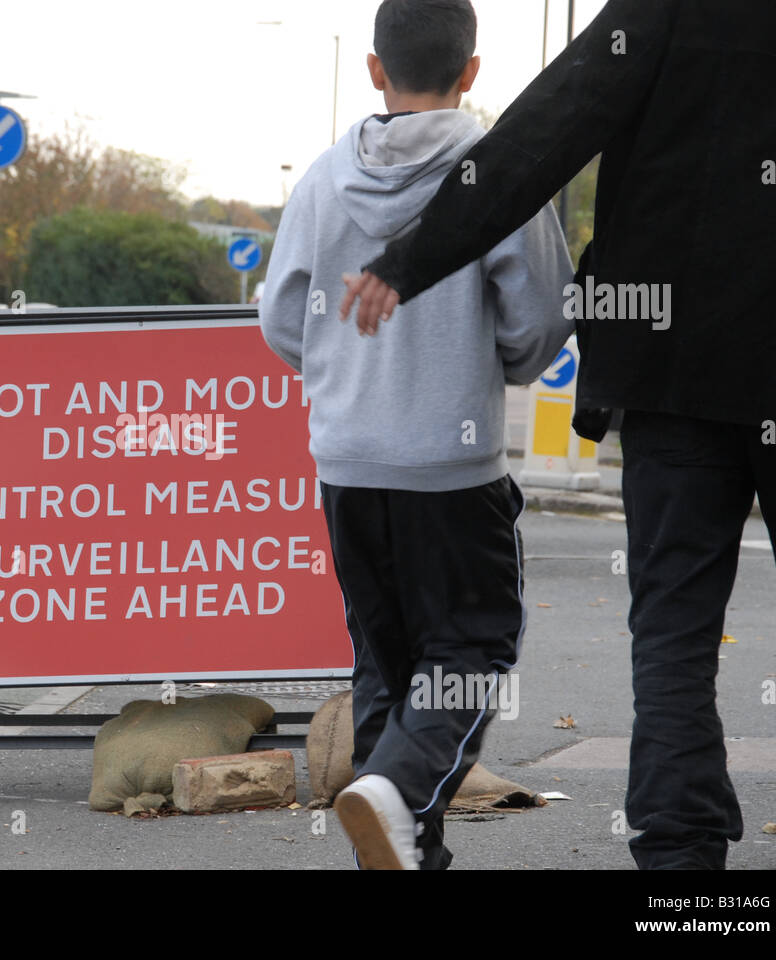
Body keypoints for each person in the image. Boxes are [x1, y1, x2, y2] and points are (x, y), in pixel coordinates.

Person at [339, 0, 776, 870]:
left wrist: (413, 257)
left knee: (673, 629)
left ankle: (680, 862)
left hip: (671, 373)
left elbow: (547, 129)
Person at [259, 0, 573, 869]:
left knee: (385, 665)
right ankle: (393, 792)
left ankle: (398, 838)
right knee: (470, 653)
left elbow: (283, 319)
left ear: (374, 69)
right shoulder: (496, 169)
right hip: (451, 466)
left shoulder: (322, 178)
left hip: (349, 465)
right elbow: (542, 324)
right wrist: (485, 356)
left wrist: (345, 378)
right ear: (471, 71)